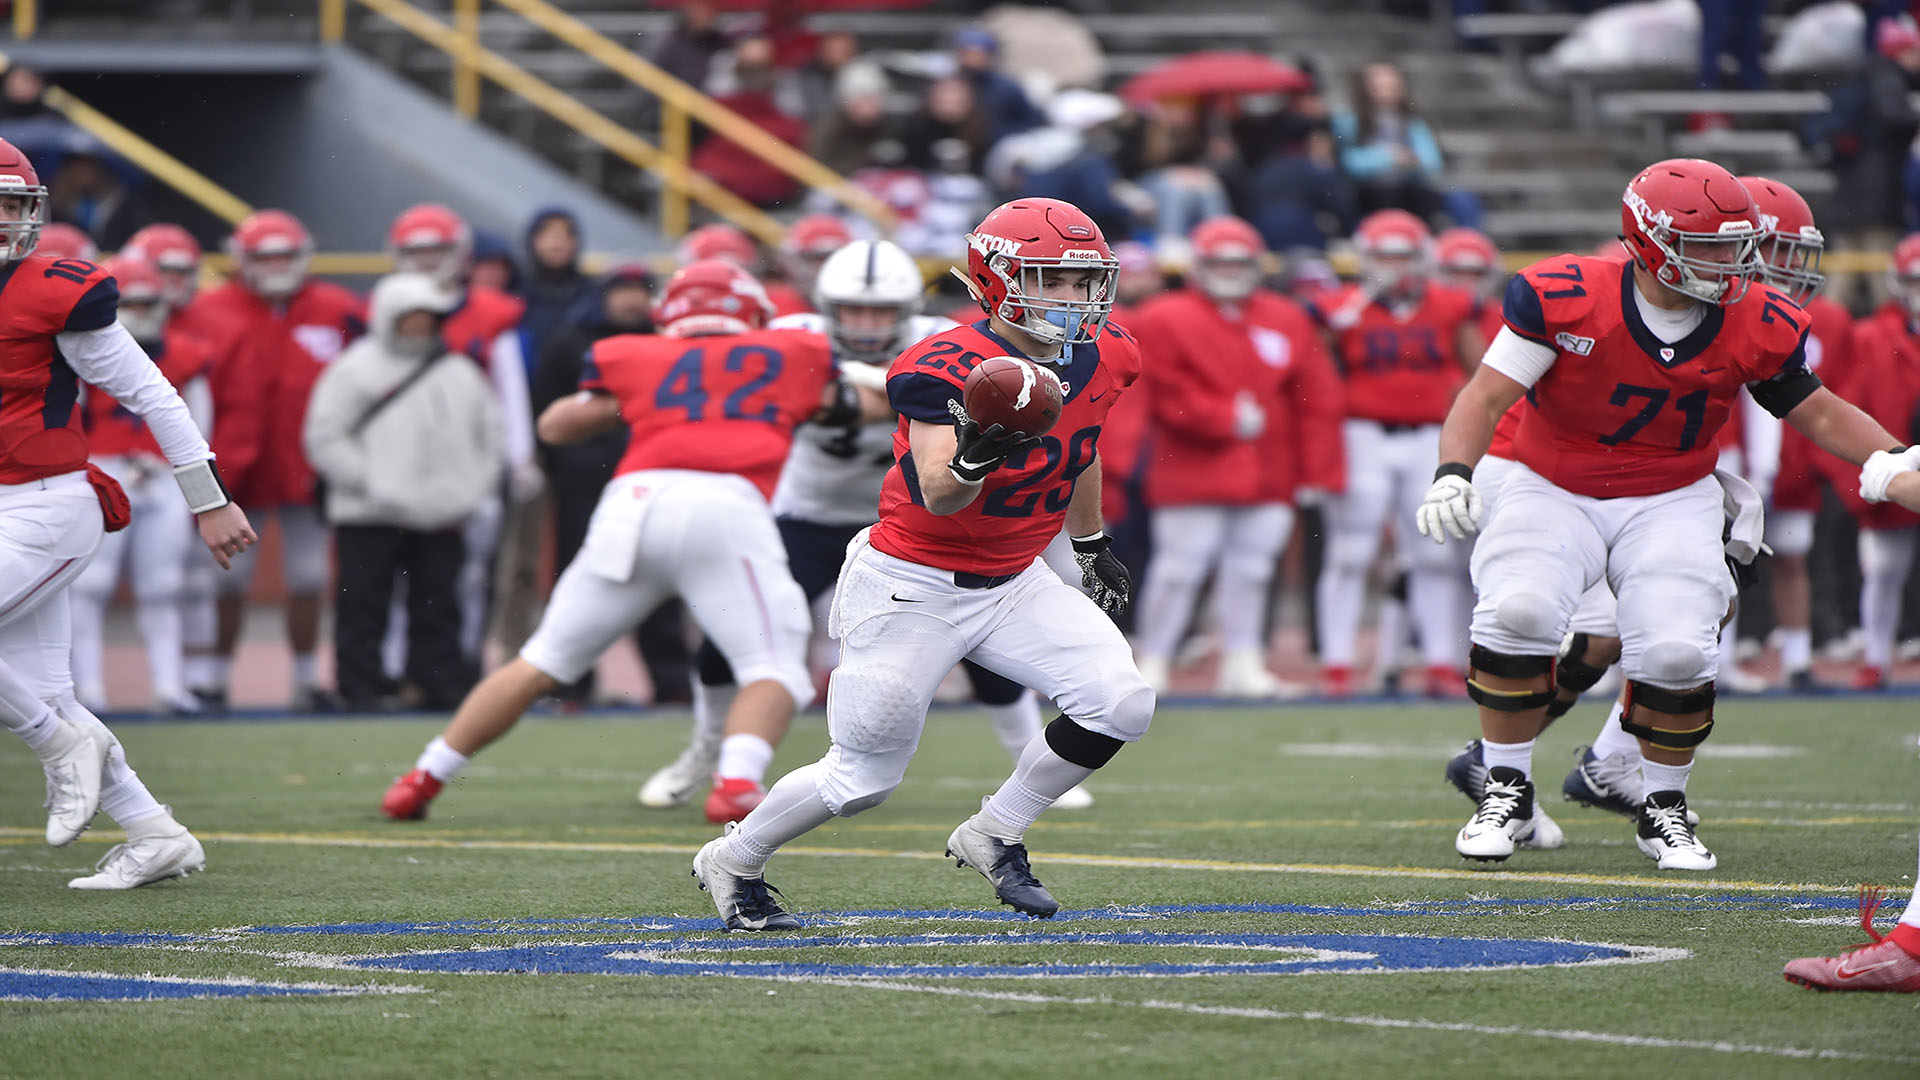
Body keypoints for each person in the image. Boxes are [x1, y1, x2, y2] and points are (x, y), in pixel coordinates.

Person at [1418, 159, 1914, 871]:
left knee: (1681, 646)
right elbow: (1484, 395)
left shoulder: (1757, 318)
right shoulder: (1566, 293)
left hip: (1669, 491)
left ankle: (1662, 806)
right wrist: (1452, 473)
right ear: (1647, 241)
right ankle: (1504, 783)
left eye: (1738, 244)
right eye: (1711, 246)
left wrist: (1890, 460)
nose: (1733, 263)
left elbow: (1818, 409)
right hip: (1549, 478)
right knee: (1523, 611)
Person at [690, 197, 1149, 931]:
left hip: (1016, 579)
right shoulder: (947, 364)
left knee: (1122, 703)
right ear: (997, 281)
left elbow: (1083, 446)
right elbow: (938, 492)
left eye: (1083, 282)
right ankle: (735, 858)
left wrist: (1090, 545)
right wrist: (975, 453)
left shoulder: (1109, 352)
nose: (1073, 300)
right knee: (863, 777)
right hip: (913, 581)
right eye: (1051, 281)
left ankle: (995, 832)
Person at [379, 259, 882, 820]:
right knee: (776, 667)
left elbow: (555, 425)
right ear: (751, 314)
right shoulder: (792, 355)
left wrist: (641, 403)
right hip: (724, 507)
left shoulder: (634, 353)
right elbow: (869, 405)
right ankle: (736, 783)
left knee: (539, 661)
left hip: (632, 506)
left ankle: (421, 778)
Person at [637, 239, 1091, 820]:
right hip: (808, 513)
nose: (868, 324)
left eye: (880, 312)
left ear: (905, 311)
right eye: (854, 310)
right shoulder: (789, 334)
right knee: (735, 635)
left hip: (909, 518)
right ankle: (703, 752)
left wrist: (864, 384)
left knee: (980, 642)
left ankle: (1027, 757)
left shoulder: (943, 342)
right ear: (828, 306)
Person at [0, 137, 256, 887]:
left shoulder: (51, 290)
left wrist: (208, 500)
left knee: (49, 718)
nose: (4, 222)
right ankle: (154, 831)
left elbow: (152, 395)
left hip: (48, 507)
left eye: (11, 206)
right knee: (48, 692)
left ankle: (55, 745)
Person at [1130, 217, 1343, 698]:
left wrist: (1317, 469)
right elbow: (1161, 390)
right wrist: (1218, 417)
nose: (1229, 271)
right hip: (1192, 467)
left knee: (1252, 570)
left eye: (1238, 262)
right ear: (1198, 267)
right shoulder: (1164, 316)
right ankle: (1154, 660)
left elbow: (1316, 397)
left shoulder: (1286, 316)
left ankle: (1243, 661)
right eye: (1219, 262)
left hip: (1268, 467)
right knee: (1179, 568)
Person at [183, 210, 363, 711]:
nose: (278, 267)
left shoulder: (337, 309)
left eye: (286, 256)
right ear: (243, 260)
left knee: (309, 577)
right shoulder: (208, 311)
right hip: (234, 470)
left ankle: (306, 679)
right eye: (267, 257)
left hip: (309, 467)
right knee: (226, 579)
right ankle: (213, 677)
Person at [304, 273, 504, 711]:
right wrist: (373, 485)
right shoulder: (352, 369)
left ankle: (436, 687)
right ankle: (360, 690)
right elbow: (325, 437)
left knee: (439, 607)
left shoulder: (461, 373)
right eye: (412, 316)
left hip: (442, 512)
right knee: (362, 606)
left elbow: (491, 435)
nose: (421, 325)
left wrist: (472, 489)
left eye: (429, 316)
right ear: (388, 317)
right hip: (368, 513)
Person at [1313, 209, 1484, 697]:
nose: (1394, 267)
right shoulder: (1343, 305)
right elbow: (1313, 367)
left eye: (1404, 256)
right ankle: (1337, 666)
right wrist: (1335, 325)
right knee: (1351, 552)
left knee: (1434, 553)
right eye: (1384, 256)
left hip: (1429, 437)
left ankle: (1440, 663)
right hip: (1362, 434)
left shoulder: (1451, 305)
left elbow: (1482, 372)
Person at [385, 203, 541, 680]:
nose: (430, 260)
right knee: (396, 566)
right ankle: (395, 666)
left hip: (472, 456)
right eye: (419, 251)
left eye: (438, 250)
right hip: (404, 455)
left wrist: (520, 457)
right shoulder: (382, 307)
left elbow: (509, 388)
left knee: (473, 570)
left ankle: (464, 658)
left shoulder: (492, 313)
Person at [69, 256, 213, 716]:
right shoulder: (83, 348)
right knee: (90, 584)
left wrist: (196, 480)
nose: (141, 311)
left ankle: (169, 686)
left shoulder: (186, 353)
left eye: (148, 301)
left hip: (162, 474)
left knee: (163, 586)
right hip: (103, 467)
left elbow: (198, 422)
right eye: (130, 301)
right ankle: (89, 687)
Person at [529, 261, 664, 705]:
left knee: (663, 575)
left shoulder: (668, 343)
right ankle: (571, 684)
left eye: (639, 289)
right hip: (586, 481)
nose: (631, 299)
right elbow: (545, 407)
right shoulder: (571, 343)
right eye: (622, 289)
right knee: (580, 576)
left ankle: (671, 680)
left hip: (654, 475)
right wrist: (564, 466)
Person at [1738, 177, 1853, 691]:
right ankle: (1706, 660)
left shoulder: (1817, 318)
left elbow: (1832, 399)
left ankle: (1798, 658)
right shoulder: (1717, 314)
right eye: (1775, 249)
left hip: (1787, 458)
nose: (1788, 265)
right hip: (1719, 458)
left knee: (1791, 555)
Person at [1835, 232, 1920, 689]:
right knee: (1883, 568)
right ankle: (1875, 653)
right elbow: (1848, 407)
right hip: (1898, 465)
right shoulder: (1871, 338)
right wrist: (1871, 473)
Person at [1331, 61, 1446, 221]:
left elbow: (1432, 160)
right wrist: (1389, 158)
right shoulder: (1349, 120)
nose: (1386, 92)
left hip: (1408, 185)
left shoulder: (1412, 121)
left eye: (1391, 86)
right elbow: (1348, 160)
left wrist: (1413, 161)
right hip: (1369, 189)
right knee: (1386, 196)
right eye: (1379, 86)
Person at [767, 213, 852, 318]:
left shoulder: (860, 302)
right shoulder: (775, 304)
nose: (825, 266)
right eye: (816, 258)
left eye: (832, 257)